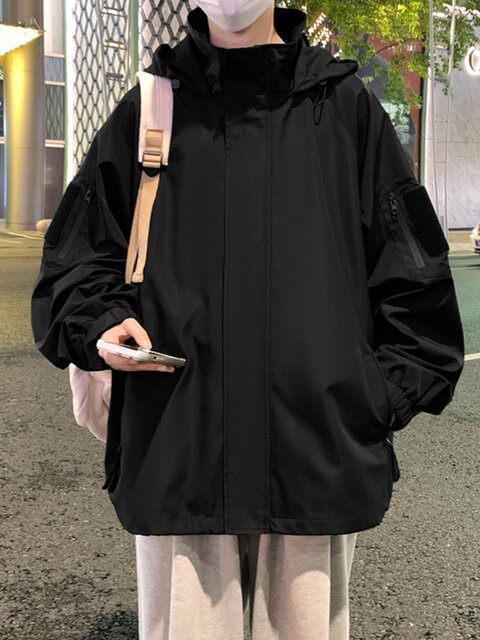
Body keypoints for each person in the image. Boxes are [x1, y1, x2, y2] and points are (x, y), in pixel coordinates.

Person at [30, 0, 465, 638]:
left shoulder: (343, 109)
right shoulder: (150, 109)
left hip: (312, 454)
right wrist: (101, 323)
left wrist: (368, 400)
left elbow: (413, 278)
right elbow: (77, 259)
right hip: (180, 452)